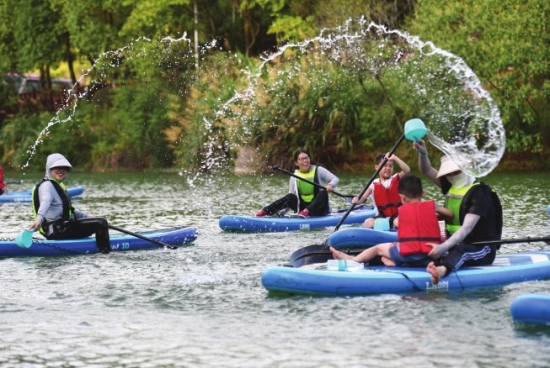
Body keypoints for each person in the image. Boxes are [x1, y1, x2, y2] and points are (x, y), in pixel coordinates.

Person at [413, 140, 503, 285]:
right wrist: (423, 153)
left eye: (457, 171)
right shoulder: (451, 185)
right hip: (454, 244)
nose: (453, 175)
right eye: (449, 173)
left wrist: (443, 248)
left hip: (481, 247)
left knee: (462, 251)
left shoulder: (480, 193)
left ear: (465, 168)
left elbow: (466, 228)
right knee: (425, 247)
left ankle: (441, 271)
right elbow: (427, 170)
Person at [330, 174, 453, 266]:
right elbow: (450, 215)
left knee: (378, 249)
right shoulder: (432, 206)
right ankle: (397, 263)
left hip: (408, 255)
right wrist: (434, 215)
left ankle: (354, 260)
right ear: (423, 193)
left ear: (402, 198)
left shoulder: (402, 214)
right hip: (432, 253)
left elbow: (399, 229)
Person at [29, 153, 111, 254]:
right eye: (57, 167)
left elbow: (69, 211)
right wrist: (39, 219)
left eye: (64, 167)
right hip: (57, 231)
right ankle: (106, 253)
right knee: (101, 223)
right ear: (49, 169)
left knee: (99, 221)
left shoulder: (57, 185)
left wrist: (87, 216)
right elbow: (45, 202)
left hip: (62, 228)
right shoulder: (47, 186)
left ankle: (98, 243)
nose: (61, 170)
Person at [255, 149, 339, 218]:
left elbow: (335, 179)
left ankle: (307, 211)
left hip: (319, 209)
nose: (305, 161)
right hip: (302, 209)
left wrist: (330, 185)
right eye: (301, 159)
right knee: (290, 196)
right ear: (296, 163)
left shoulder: (319, 170)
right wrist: (283, 212)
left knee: (323, 193)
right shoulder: (294, 176)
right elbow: (290, 198)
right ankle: (265, 211)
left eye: (306, 158)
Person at [351, 152, 410, 228]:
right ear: (376, 167)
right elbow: (362, 198)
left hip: (398, 215)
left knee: (397, 222)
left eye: (391, 166)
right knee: (368, 223)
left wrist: (395, 158)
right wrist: (357, 200)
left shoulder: (397, 178)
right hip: (382, 216)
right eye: (385, 165)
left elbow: (407, 170)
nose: (388, 168)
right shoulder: (373, 184)